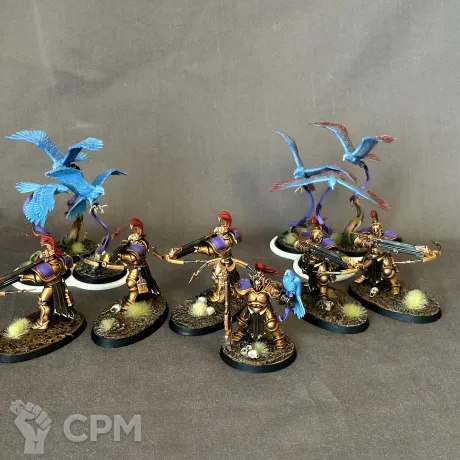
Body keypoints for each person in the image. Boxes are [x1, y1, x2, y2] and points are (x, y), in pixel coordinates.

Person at [19, 235, 74, 330]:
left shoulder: (52, 265)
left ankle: (43, 322)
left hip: (51, 286)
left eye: (47, 249)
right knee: (50, 301)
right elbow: (69, 262)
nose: (45, 251)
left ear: (53, 251)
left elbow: (38, 278)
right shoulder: (61, 259)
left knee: (42, 301)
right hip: (58, 284)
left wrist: (24, 277)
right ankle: (52, 313)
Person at [232, 263, 292, 349]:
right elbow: (237, 293)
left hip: (264, 309)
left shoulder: (268, 286)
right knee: (241, 321)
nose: (258, 276)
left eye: (260, 273)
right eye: (257, 272)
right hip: (250, 308)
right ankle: (240, 332)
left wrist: (287, 300)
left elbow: (278, 297)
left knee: (271, 324)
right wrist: (231, 291)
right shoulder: (247, 284)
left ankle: (278, 339)